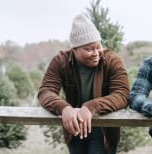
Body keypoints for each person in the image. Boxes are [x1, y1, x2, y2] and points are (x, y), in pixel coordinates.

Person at [38, 14, 129, 154]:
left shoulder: (112, 61)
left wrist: (91, 107)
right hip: (74, 126)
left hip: (104, 129)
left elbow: (122, 95)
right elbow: (45, 91)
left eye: (98, 46)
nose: (96, 53)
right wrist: (64, 108)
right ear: (74, 50)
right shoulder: (60, 61)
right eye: (89, 49)